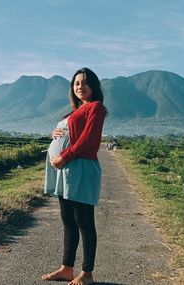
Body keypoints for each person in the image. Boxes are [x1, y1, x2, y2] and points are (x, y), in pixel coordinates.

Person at [41, 67, 107, 285]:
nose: (80, 86)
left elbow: (88, 140)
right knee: (68, 221)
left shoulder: (95, 107)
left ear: (94, 86)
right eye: (76, 83)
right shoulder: (75, 110)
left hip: (80, 169)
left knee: (84, 221)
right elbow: (70, 132)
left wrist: (64, 156)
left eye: (85, 83)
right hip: (66, 171)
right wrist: (55, 133)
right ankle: (66, 268)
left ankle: (87, 273)